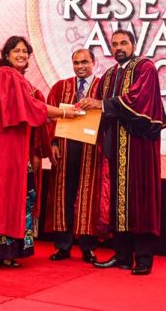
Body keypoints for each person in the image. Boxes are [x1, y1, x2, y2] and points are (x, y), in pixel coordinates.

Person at [0, 35, 78, 272]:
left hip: (11, 148)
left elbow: (26, 109)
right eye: (16, 51)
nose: (21, 55)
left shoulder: (15, 78)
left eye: (24, 51)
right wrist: (63, 113)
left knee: (10, 198)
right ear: (6, 55)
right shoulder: (6, 75)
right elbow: (29, 107)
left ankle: (2, 253)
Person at [79, 29, 166, 275]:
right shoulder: (109, 75)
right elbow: (98, 109)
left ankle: (143, 259)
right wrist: (78, 115)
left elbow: (138, 100)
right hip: (115, 146)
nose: (119, 47)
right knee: (118, 201)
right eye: (115, 44)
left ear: (133, 45)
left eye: (123, 43)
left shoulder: (145, 68)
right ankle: (122, 256)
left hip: (139, 146)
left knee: (140, 200)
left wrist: (102, 104)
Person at [46, 49, 100, 263]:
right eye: (76, 63)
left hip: (92, 150)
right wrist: (52, 142)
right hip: (65, 148)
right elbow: (49, 116)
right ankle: (63, 246)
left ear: (94, 63)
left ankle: (88, 248)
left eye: (85, 62)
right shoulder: (61, 87)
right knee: (63, 196)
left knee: (88, 197)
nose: (80, 66)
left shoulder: (103, 87)